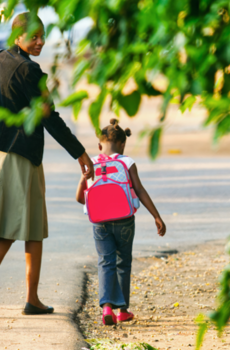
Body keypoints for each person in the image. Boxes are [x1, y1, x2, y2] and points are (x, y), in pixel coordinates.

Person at [0, 12, 94, 318]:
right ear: (17, 37)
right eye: (33, 36)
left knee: (15, 226)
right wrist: (80, 153)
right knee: (31, 228)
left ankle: (9, 289)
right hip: (22, 158)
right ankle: (11, 292)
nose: (40, 42)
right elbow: (50, 118)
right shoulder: (30, 72)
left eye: (42, 35)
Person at [75, 119, 166, 325]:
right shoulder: (127, 162)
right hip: (125, 220)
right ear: (123, 144)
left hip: (100, 223)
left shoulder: (91, 163)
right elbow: (140, 190)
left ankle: (106, 307)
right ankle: (123, 311)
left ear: (99, 146)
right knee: (123, 263)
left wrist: (84, 178)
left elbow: (80, 198)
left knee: (105, 262)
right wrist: (156, 216)